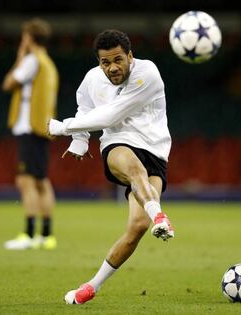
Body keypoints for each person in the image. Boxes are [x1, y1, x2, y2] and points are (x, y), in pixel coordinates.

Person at [49, 29, 174, 305]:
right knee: (133, 168)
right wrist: (80, 142)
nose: (112, 67)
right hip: (117, 144)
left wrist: (62, 127)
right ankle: (160, 217)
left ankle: (92, 285)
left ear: (130, 56)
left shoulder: (147, 73)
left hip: (155, 150)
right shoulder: (93, 79)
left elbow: (111, 113)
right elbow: (85, 107)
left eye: (118, 60)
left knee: (137, 227)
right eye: (105, 62)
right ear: (99, 62)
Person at [1, 18, 59, 250]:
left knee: (26, 181)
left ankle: (29, 234)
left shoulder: (32, 61)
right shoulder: (48, 63)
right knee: (40, 181)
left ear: (29, 38)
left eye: (24, 36)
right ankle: (46, 235)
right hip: (41, 127)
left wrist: (19, 56)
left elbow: (8, 83)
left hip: (30, 126)